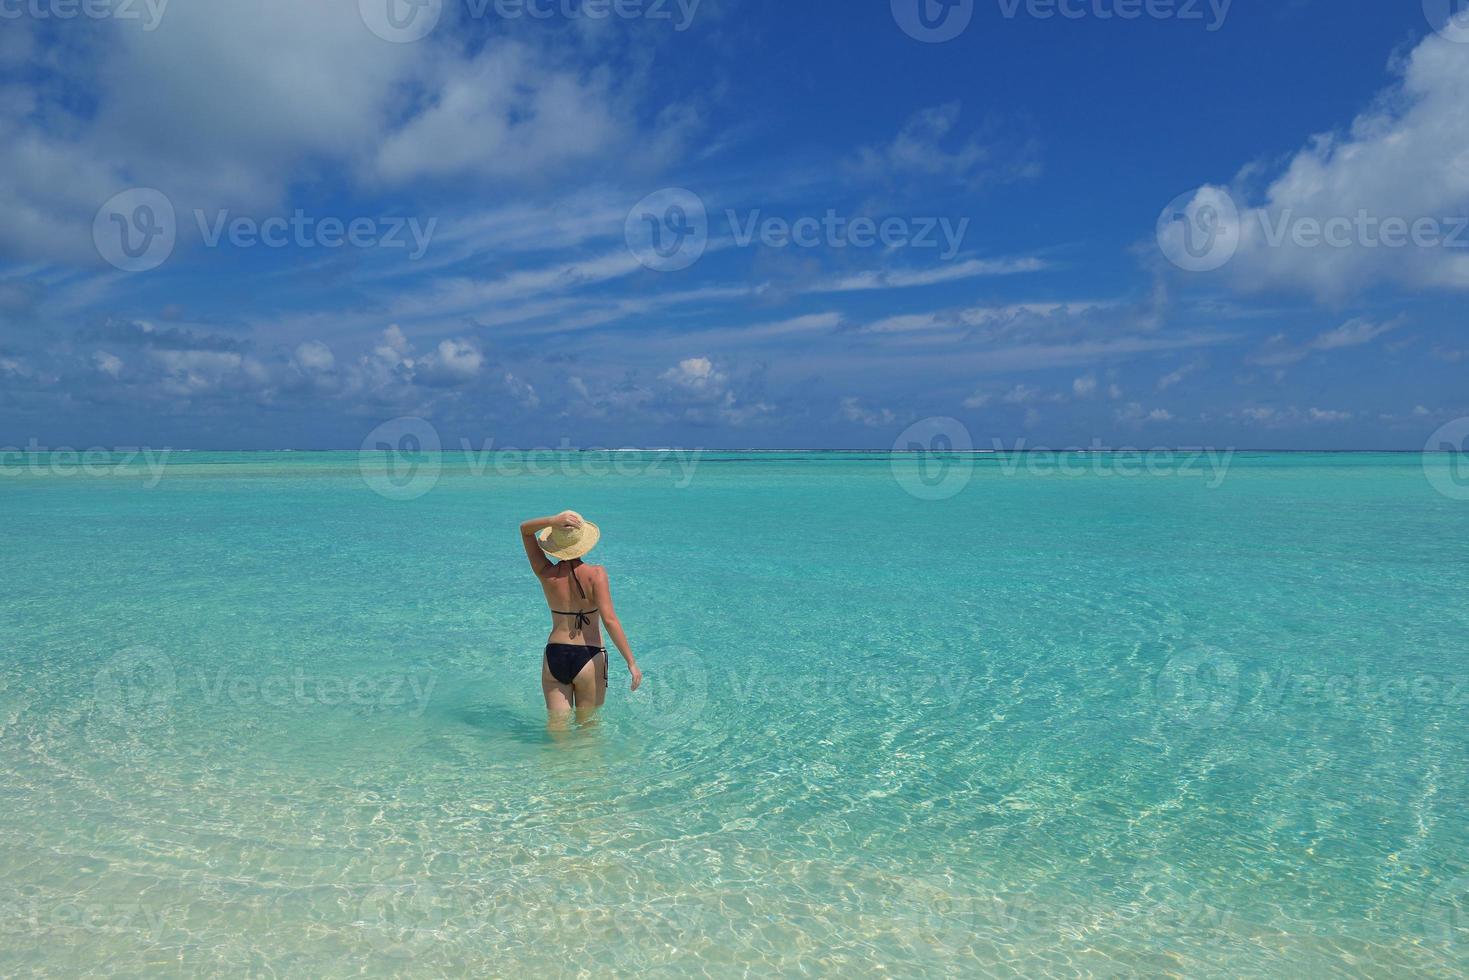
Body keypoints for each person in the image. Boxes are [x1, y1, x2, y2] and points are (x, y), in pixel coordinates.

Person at [519, 511, 642, 720]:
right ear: (583, 541)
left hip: (555, 654)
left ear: (555, 545)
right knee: (588, 732)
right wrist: (631, 662)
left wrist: (551, 521)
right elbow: (610, 620)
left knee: (557, 729)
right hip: (589, 655)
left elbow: (525, 530)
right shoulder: (596, 574)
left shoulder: (545, 572)